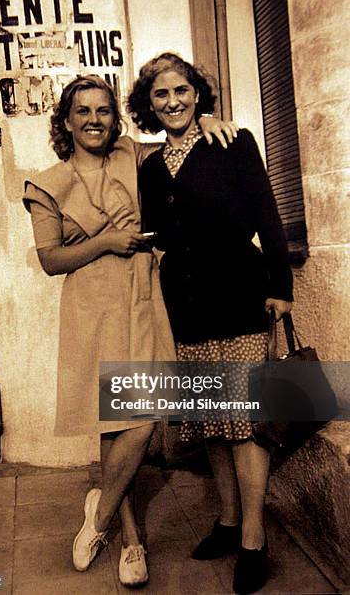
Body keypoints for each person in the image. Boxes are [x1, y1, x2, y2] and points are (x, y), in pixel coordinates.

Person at [23, 74, 237, 587]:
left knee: (143, 420)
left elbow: (176, 133)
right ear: (67, 121)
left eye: (102, 110)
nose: (94, 119)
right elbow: (51, 259)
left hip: (143, 297)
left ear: (112, 118)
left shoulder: (130, 156)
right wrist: (104, 243)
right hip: (92, 305)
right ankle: (131, 540)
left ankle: (97, 514)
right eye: (83, 111)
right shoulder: (46, 184)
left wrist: (208, 119)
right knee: (115, 423)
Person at [128, 53, 293, 595]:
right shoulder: (150, 167)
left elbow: (268, 217)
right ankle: (226, 519)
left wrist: (279, 288)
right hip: (186, 305)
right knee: (211, 419)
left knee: (245, 418)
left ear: (198, 94)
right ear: (147, 104)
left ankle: (253, 538)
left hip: (240, 294)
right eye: (160, 95)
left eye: (181, 91)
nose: (172, 101)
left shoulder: (232, 142)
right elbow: (156, 234)